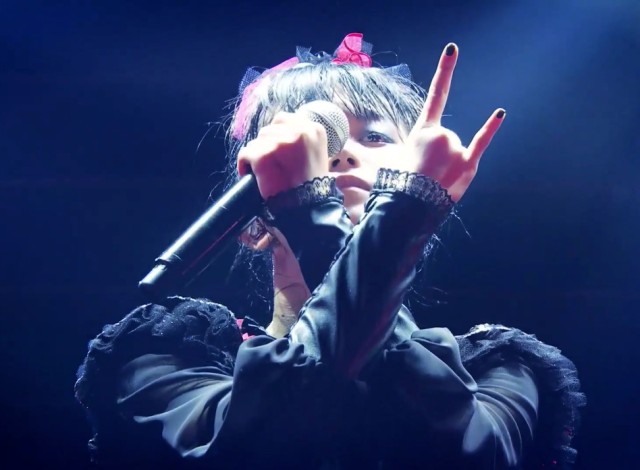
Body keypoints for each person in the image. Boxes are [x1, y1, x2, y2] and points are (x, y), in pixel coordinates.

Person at [75, 33, 584, 469]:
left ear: (423, 191)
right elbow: (262, 442)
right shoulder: (168, 355)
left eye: (375, 135)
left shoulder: (500, 369)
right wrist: (326, 212)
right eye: (309, 138)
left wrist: (323, 211)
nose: (338, 153)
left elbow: (464, 455)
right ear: (249, 224)